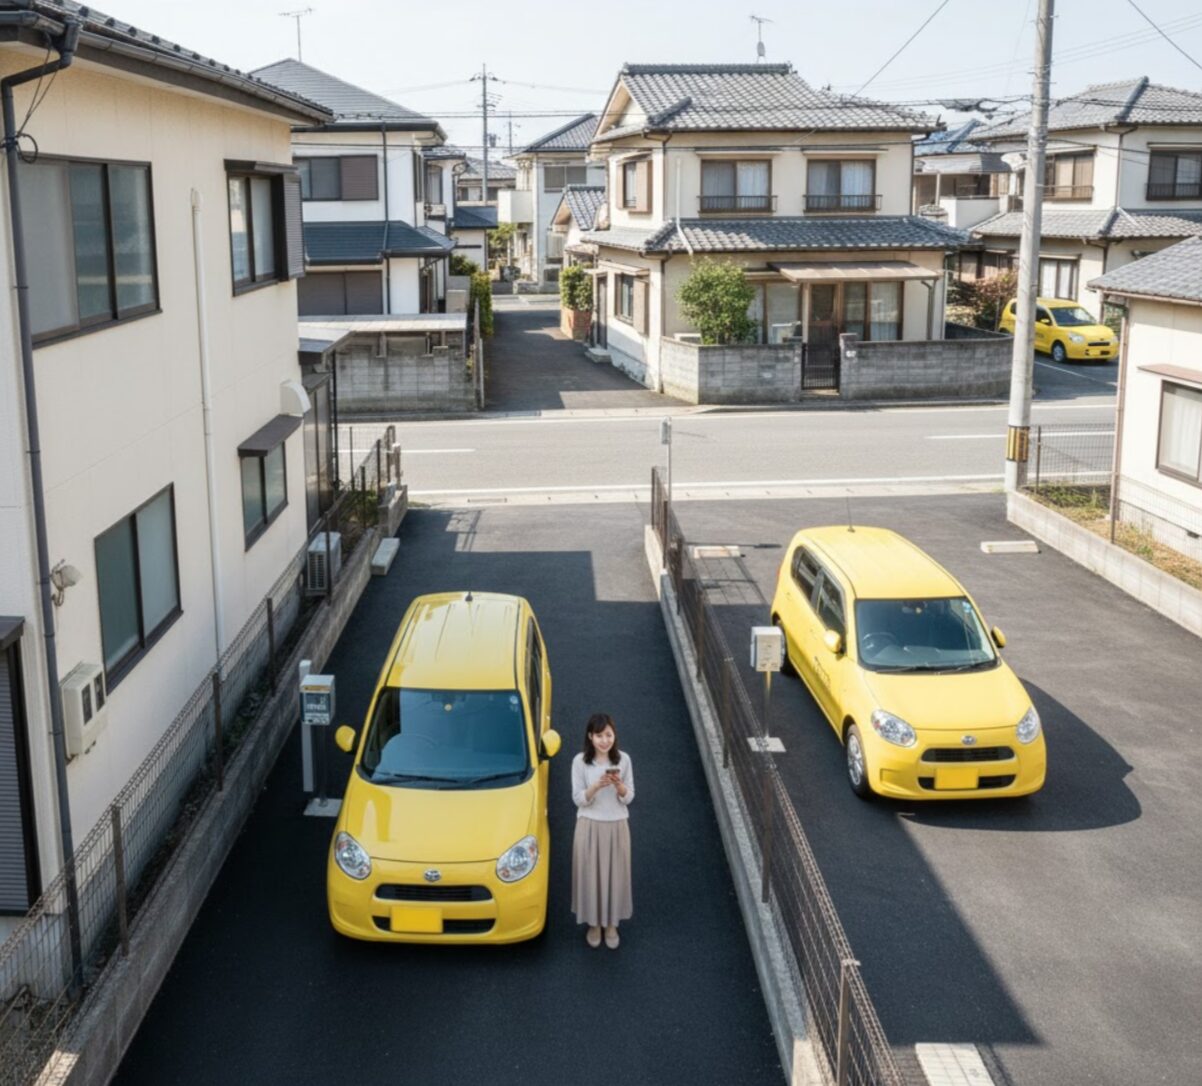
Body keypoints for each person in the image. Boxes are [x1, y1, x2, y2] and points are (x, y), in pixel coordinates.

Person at [571, 713, 635, 949]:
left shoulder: (624, 760)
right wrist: (596, 786)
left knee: (615, 876)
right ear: (590, 737)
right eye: (599, 735)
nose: (604, 740)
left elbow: (629, 798)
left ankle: (611, 925)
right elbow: (578, 799)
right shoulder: (580, 762)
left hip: (617, 825)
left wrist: (619, 787)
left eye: (608, 734)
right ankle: (594, 924)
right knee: (591, 876)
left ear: (614, 735)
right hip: (589, 825)